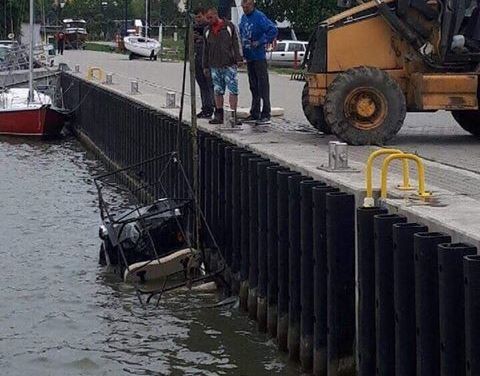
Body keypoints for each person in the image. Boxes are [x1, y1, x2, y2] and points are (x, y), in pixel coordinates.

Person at [239, 0, 277, 125]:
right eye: (243, 7)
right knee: (253, 85)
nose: (245, 8)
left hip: (259, 56)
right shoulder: (244, 18)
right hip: (249, 56)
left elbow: (273, 30)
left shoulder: (259, 16)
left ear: (252, 5)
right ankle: (255, 112)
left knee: (263, 85)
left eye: (247, 6)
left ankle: (266, 112)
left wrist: (261, 41)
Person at [203, 7, 243, 125]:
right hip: (214, 64)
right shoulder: (207, 30)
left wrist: (238, 58)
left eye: (210, 17)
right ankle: (219, 113)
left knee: (233, 89)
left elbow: (236, 42)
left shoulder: (229, 27)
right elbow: (206, 49)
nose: (209, 20)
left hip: (229, 64)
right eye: (207, 18)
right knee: (218, 90)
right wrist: (205, 65)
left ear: (216, 15)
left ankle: (233, 115)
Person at [194, 8, 215, 119]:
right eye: (196, 17)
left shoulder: (209, 28)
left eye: (199, 17)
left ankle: (214, 107)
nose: (198, 20)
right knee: (202, 84)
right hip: (197, 59)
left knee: (210, 84)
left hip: (207, 61)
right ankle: (205, 107)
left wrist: (201, 39)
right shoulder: (194, 28)